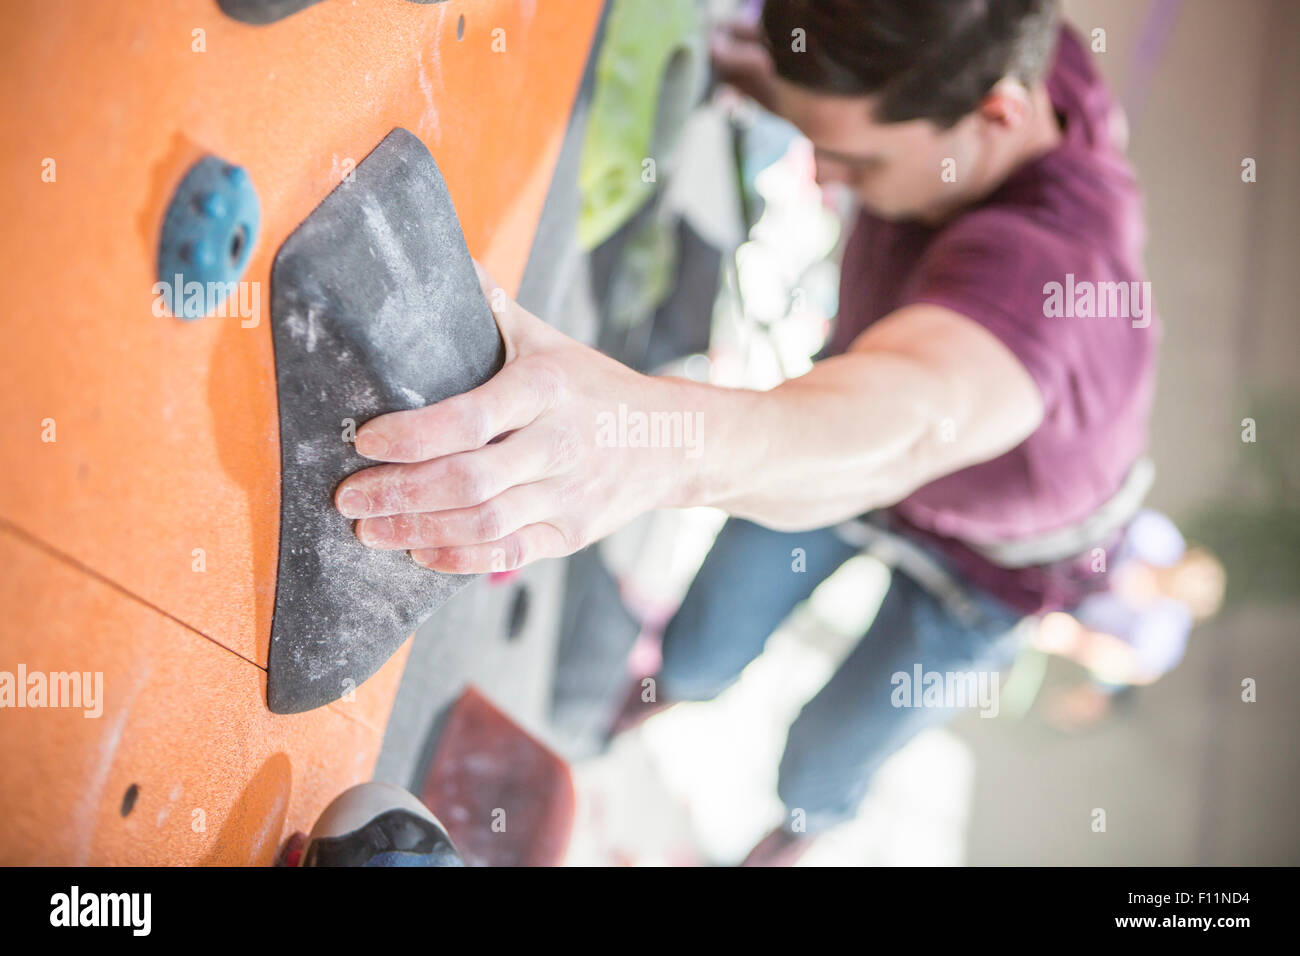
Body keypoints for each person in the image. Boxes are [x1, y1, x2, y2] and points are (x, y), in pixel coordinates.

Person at [334, 0, 1160, 864]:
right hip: (849, 428)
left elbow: (906, 428)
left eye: (855, 156)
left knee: (824, 757)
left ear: (998, 114)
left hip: (989, 564)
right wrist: (776, 76)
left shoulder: (1052, 282)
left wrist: (646, 442)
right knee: (699, 650)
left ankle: (800, 831)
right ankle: (661, 693)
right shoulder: (993, 42)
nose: (828, 177)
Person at [1032, 511, 1226, 731]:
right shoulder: (1158, 537)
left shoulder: (1163, 636)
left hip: (1064, 610)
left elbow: (1129, 665)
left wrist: (1072, 638)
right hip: (1064, 552)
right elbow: (1109, 516)